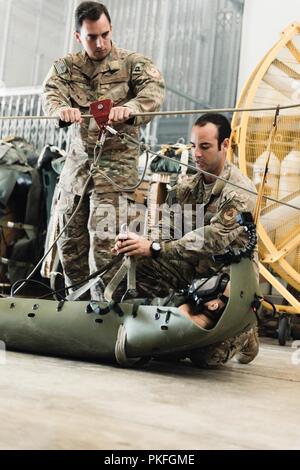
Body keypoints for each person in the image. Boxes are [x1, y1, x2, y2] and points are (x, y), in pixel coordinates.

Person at [112, 113, 259, 367]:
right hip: (192, 271)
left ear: (225, 144)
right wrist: (138, 245)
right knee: (137, 265)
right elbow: (164, 227)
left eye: (205, 147)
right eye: (193, 146)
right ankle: (177, 312)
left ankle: (245, 332)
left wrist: (155, 248)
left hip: (228, 281)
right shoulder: (187, 186)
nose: (197, 154)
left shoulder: (240, 192)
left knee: (205, 358)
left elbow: (212, 239)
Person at [42, 1, 165, 296]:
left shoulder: (133, 63)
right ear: (77, 37)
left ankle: (103, 308)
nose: (100, 43)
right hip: (77, 170)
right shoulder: (65, 67)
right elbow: (51, 94)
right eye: (92, 37)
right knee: (69, 243)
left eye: (105, 34)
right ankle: (78, 306)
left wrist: (131, 108)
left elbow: (153, 92)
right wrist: (60, 110)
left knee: (105, 243)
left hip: (115, 170)